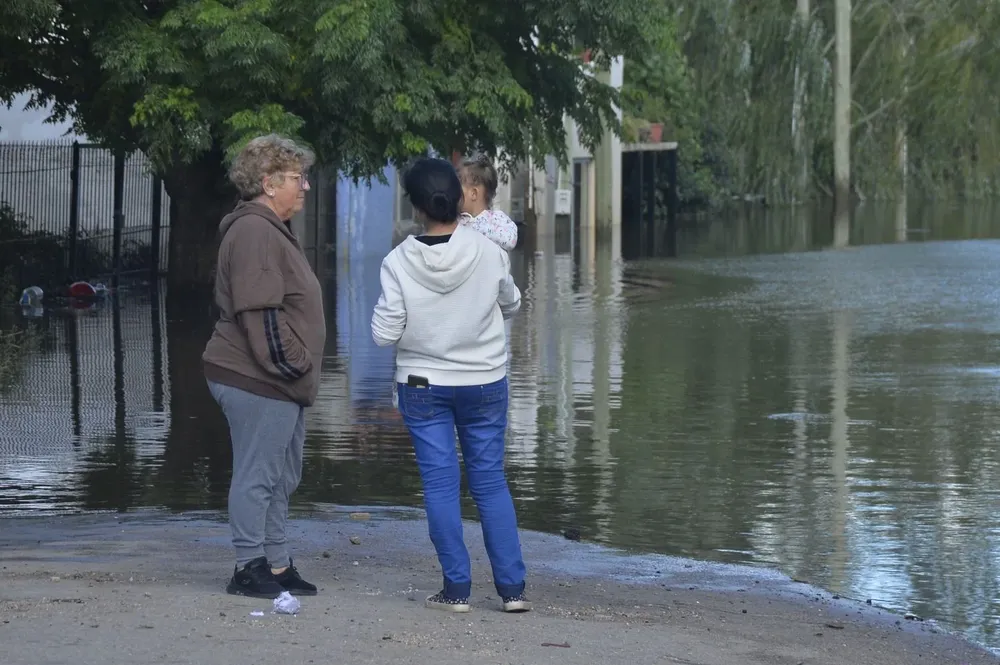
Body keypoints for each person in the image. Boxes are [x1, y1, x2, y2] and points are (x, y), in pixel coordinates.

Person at [371, 157, 530, 614]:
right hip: (484, 382)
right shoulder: (488, 250)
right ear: (460, 200)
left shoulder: (397, 261)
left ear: (416, 206)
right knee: (490, 484)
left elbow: (385, 334)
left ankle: (456, 591)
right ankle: (513, 591)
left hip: (423, 386)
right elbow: (512, 303)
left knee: (441, 487)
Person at [202, 134, 326, 599]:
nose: (306, 187)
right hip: (260, 378)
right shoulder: (254, 230)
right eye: (298, 178)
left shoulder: (268, 228)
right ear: (270, 183)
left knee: (280, 475)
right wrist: (295, 366)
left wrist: (299, 373)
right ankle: (248, 566)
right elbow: (260, 316)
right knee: (258, 475)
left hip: (278, 382)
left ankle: (275, 564)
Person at [457, 154, 519, 251]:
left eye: (458, 187)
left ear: (474, 193)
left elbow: (510, 241)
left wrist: (475, 228)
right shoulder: (456, 219)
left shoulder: (497, 219)